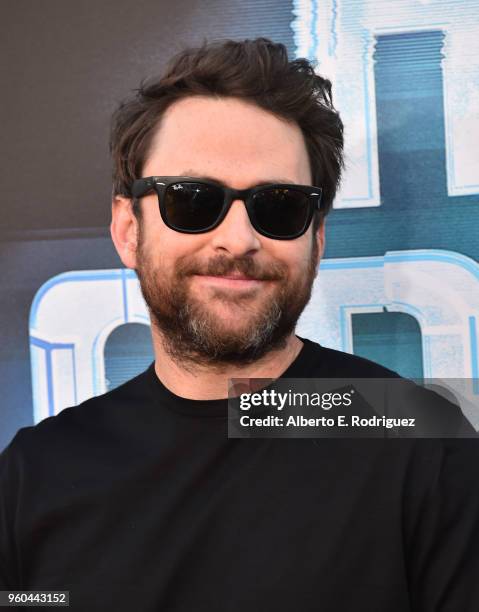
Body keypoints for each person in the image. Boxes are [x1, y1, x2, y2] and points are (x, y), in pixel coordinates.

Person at [1, 38, 478, 611]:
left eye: (279, 206)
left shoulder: (419, 439)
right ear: (128, 229)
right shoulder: (33, 476)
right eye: (192, 199)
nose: (238, 239)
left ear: (317, 240)